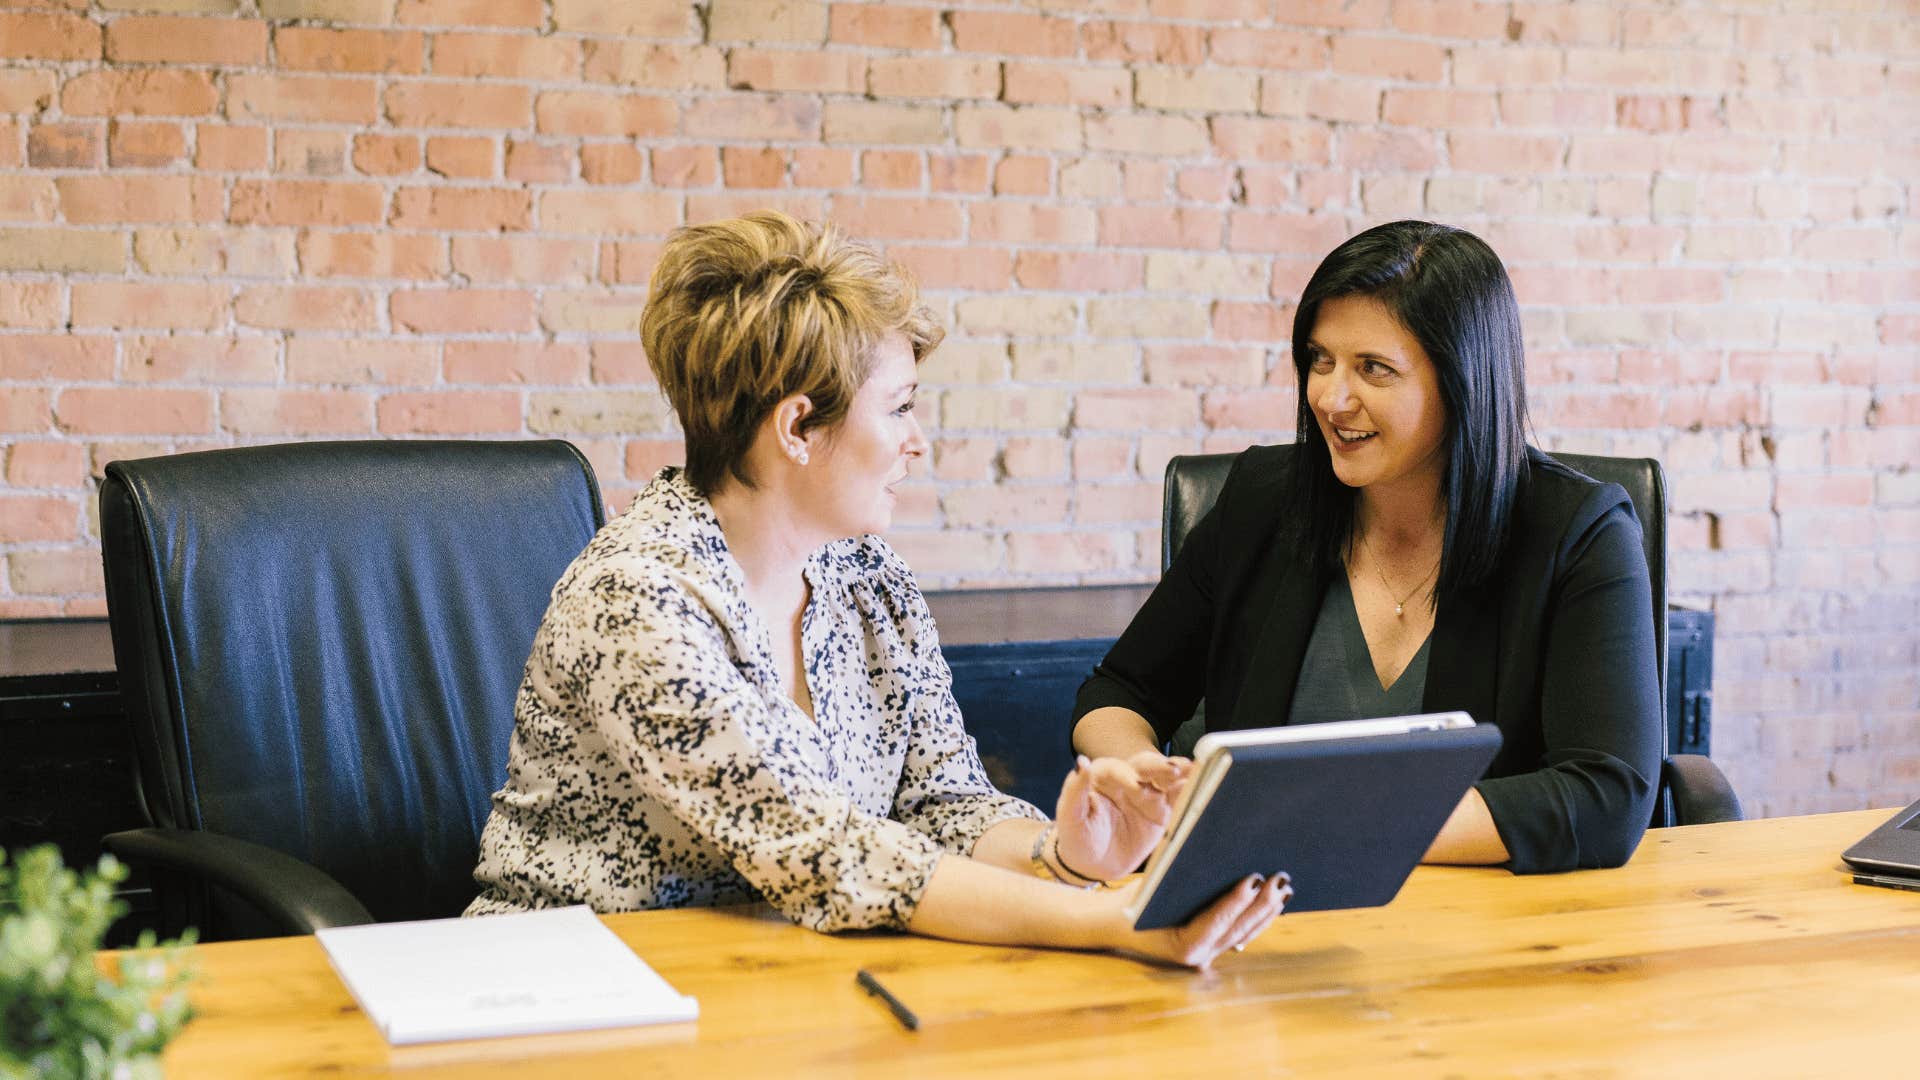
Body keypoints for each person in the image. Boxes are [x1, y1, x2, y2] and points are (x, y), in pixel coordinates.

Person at [467, 210, 1289, 967]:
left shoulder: (866, 576)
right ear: (798, 427)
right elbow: (827, 852)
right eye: (898, 408)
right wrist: (1114, 920)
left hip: (780, 979)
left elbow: (944, 801)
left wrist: (1067, 856)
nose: (918, 442)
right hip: (570, 989)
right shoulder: (637, 600)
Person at [1072, 220, 1662, 874]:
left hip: (1483, 925)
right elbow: (1119, 691)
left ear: (1462, 379)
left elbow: (1606, 795)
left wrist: (1315, 825)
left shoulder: (1579, 533)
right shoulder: (1262, 501)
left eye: (1373, 369)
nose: (1330, 397)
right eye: (1320, 360)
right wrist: (1136, 771)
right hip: (1256, 918)